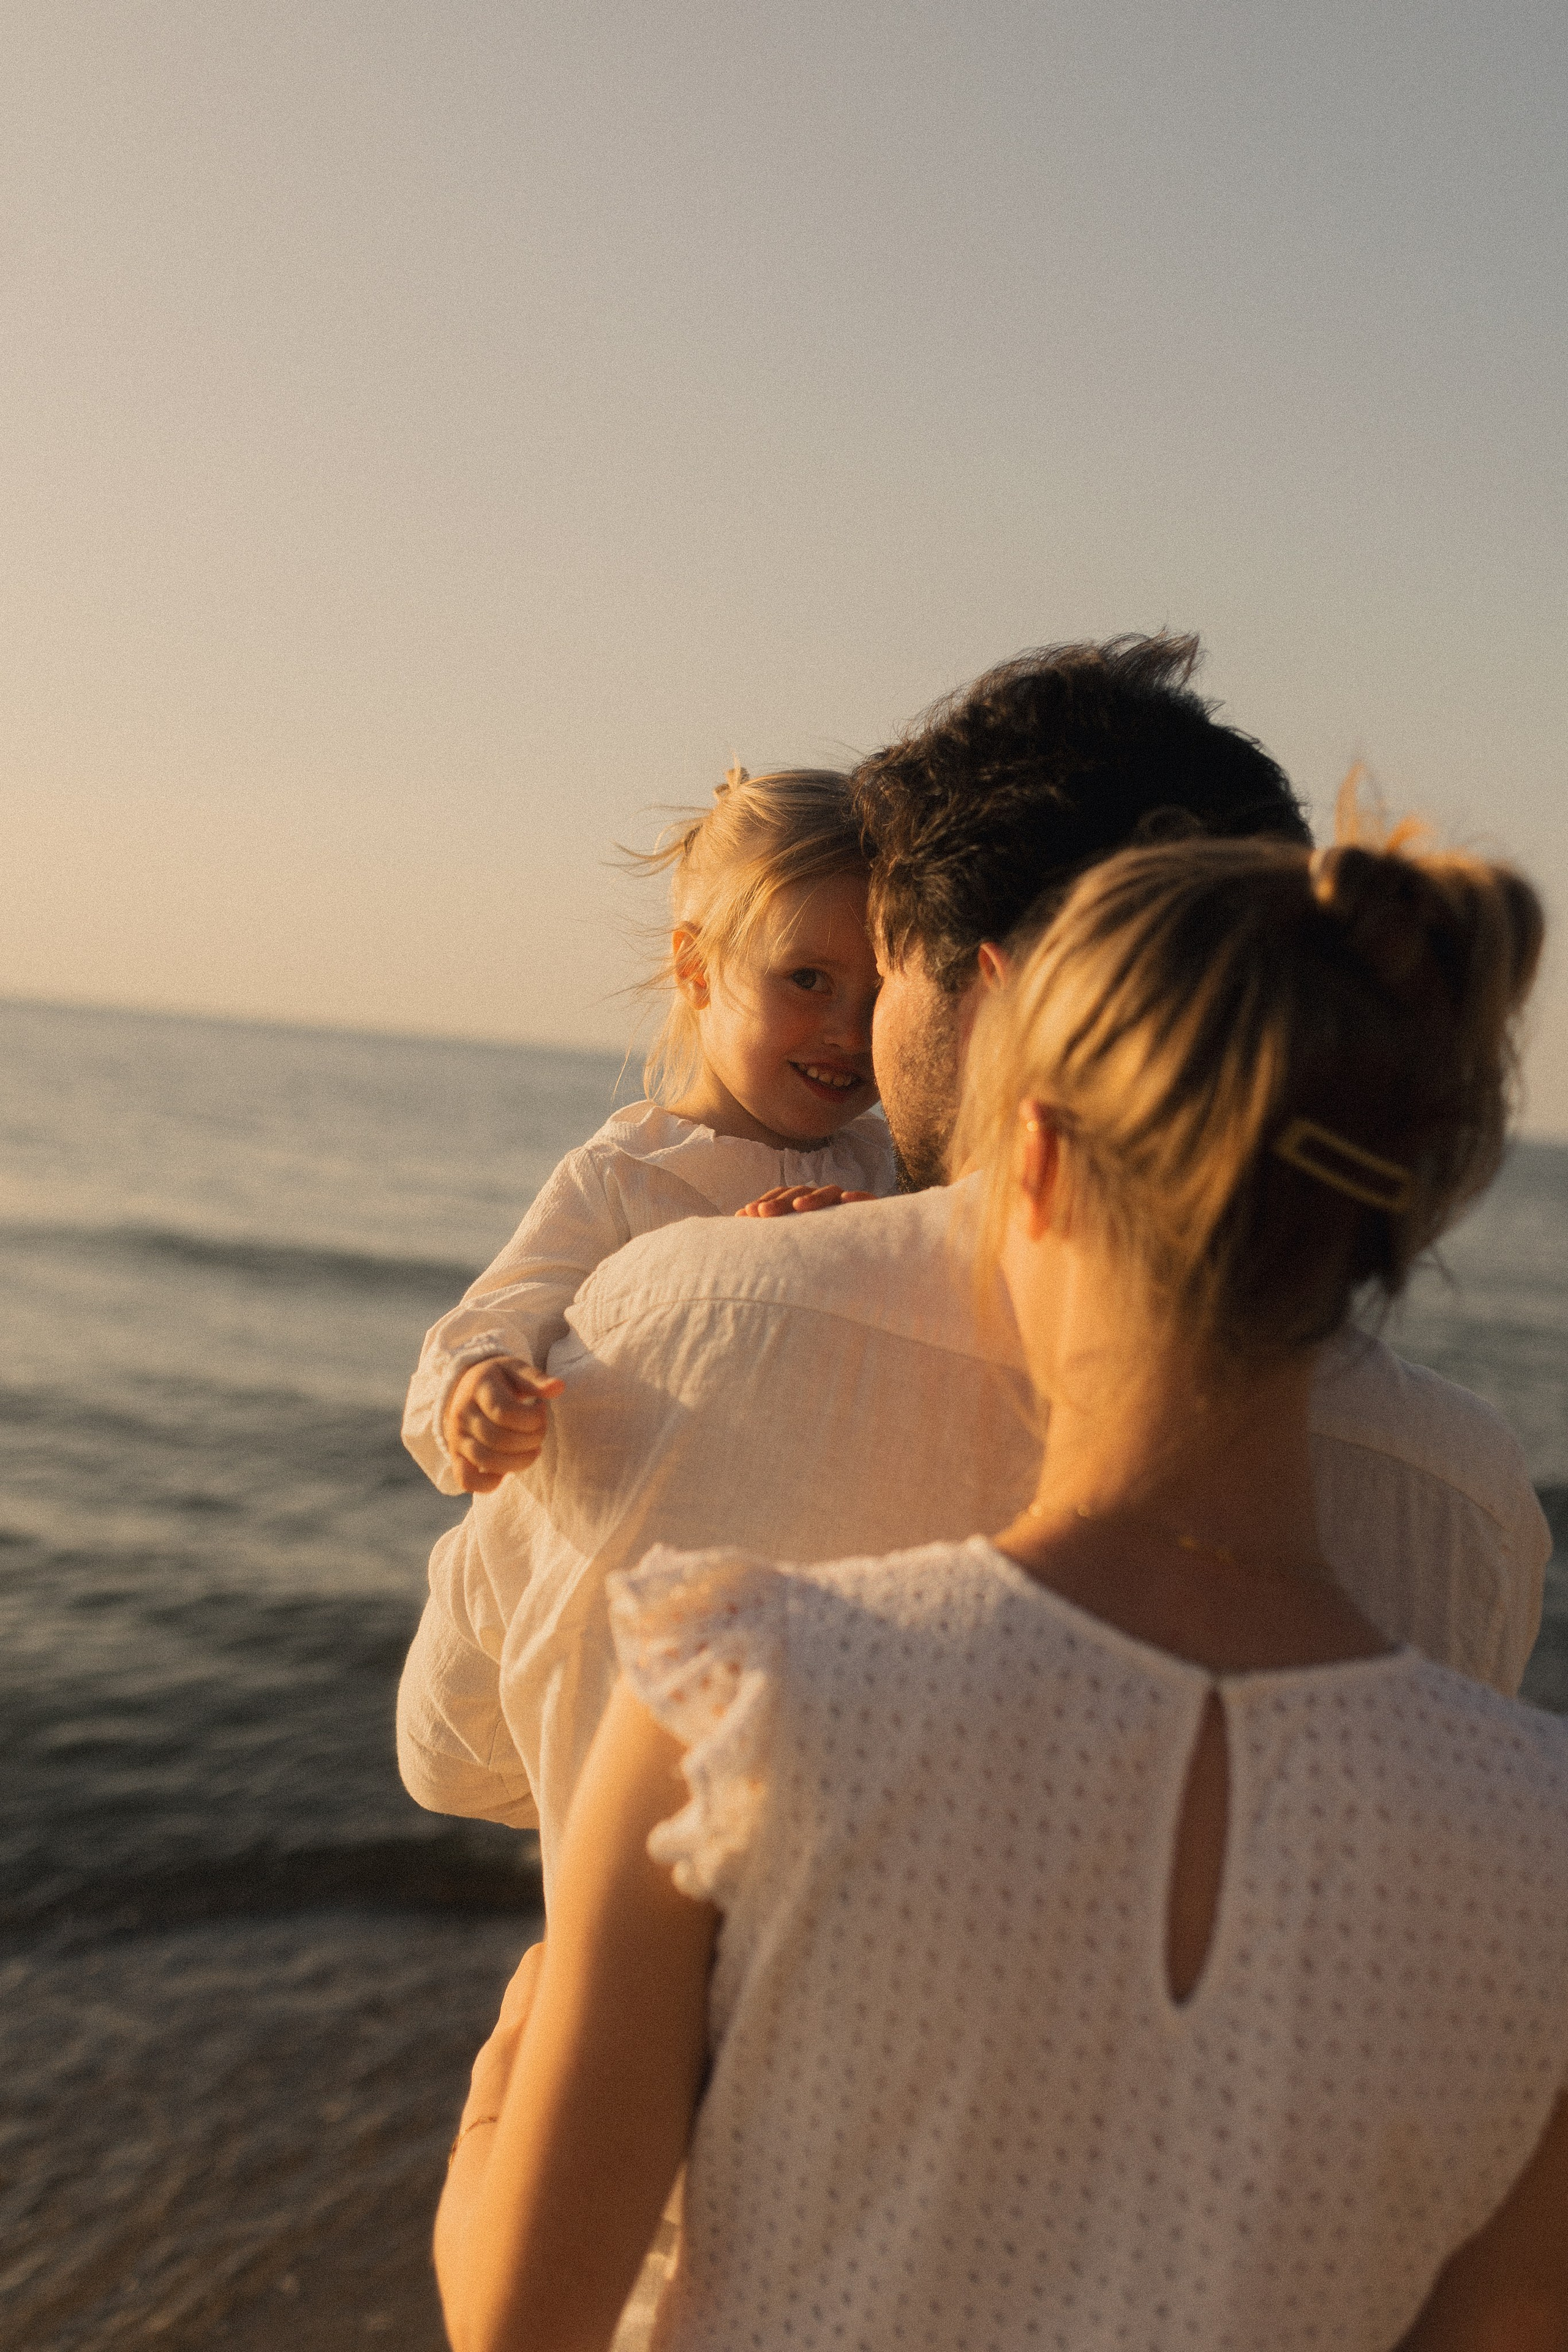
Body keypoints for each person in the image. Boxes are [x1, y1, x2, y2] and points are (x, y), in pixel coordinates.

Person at [433, 825, 1568, 2352]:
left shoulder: (740, 1693)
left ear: (1026, 1165)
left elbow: (519, 2326)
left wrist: (496, 2107)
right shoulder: (1536, 1843)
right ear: (1380, 1229)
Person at [397, 639, 1550, 1891]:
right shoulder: (1476, 1500)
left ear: (981, 992)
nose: (852, 1025)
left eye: (880, 963)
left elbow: (454, 1754)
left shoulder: (677, 1316)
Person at [399, 766, 893, 1499]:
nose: (849, 1032)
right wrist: (477, 1387)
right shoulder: (626, 1175)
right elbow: (502, 1312)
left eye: (881, 990)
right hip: (642, 1532)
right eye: (808, 980)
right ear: (695, 969)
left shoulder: (892, 1168)